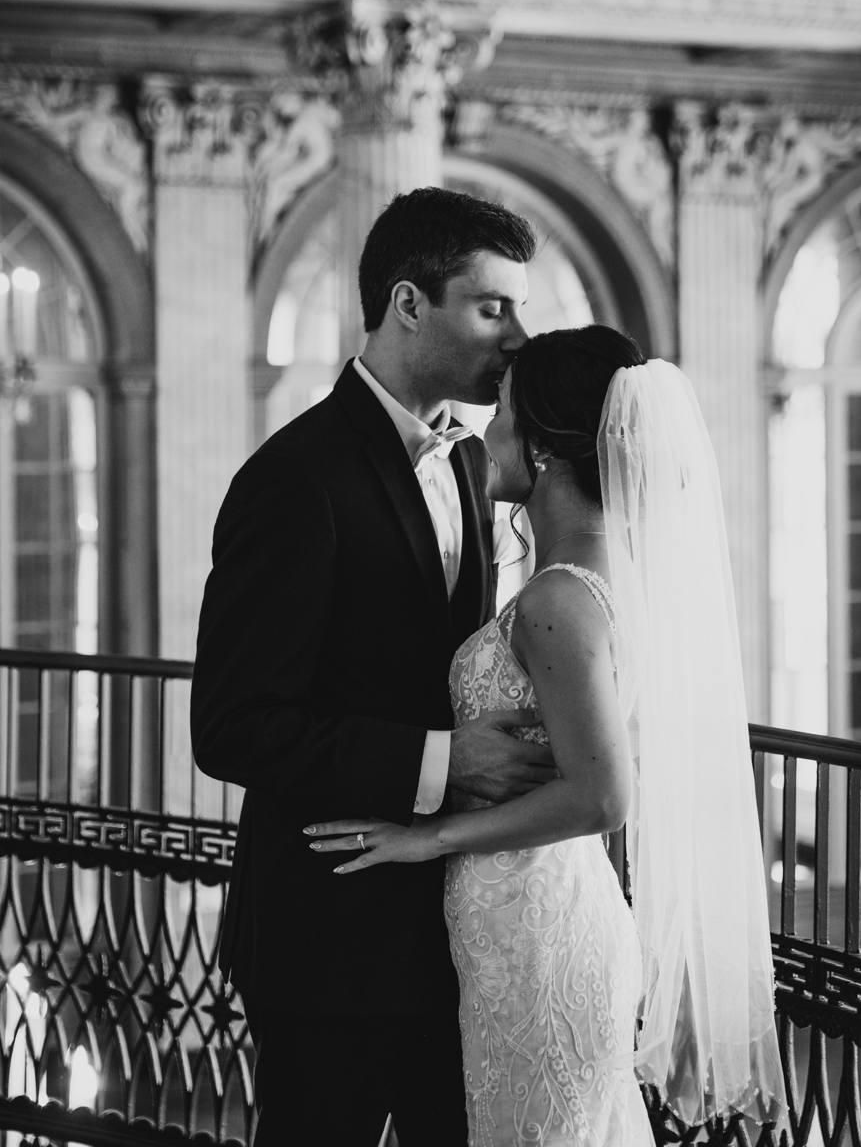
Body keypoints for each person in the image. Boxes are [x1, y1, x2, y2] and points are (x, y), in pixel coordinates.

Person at [310, 325, 786, 1145]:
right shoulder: (598, 578)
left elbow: (601, 795)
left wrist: (429, 838)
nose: (483, 429)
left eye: (500, 413)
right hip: (527, 915)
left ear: (543, 450)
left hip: (534, 932)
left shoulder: (557, 601)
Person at [190, 187, 555, 1146]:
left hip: (461, 934)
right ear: (406, 304)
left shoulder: (479, 467)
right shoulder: (292, 479)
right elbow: (232, 725)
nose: (518, 336)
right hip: (330, 942)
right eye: (492, 307)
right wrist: (442, 763)